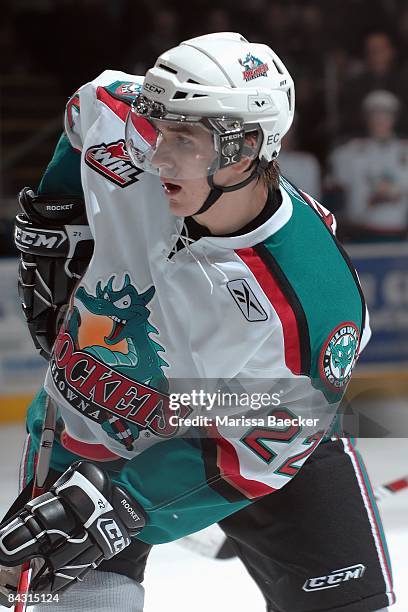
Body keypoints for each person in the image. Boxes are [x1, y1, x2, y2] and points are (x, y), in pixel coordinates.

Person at [0, 33, 393, 612]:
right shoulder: (132, 126)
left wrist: (126, 508)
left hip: (241, 418)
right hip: (98, 414)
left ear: (245, 148)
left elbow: (268, 440)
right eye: (159, 128)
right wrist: (64, 220)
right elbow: (95, 104)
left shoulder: (312, 295)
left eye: (184, 139)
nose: (157, 156)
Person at [329, 89, 408, 241]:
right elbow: (336, 186)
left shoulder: (405, 150)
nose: (380, 120)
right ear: (366, 118)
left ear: (394, 118)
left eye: (386, 114)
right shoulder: (349, 151)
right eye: (375, 114)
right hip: (361, 232)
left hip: (401, 234)